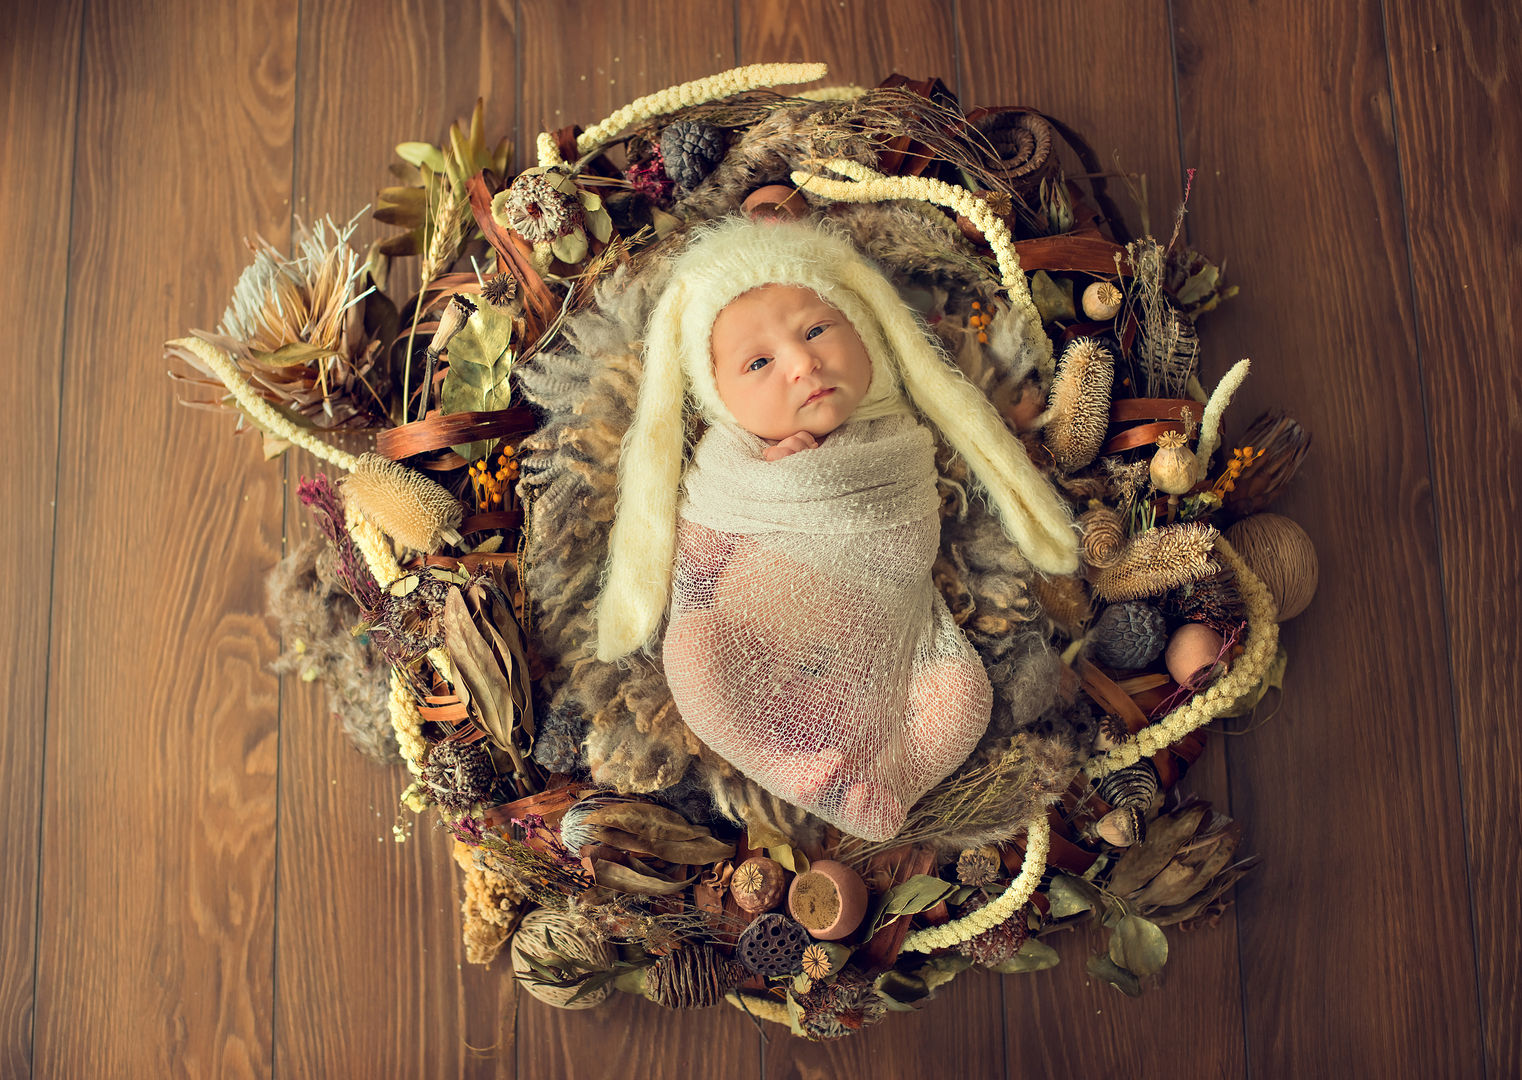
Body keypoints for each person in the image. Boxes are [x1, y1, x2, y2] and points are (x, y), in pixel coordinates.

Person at [595, 214, 1077, 840]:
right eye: (759, 362)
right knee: (694, 660)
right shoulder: (729, 471)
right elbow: (702, 564)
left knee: (962, 698)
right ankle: (806, 769)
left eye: (817, 329)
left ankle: (888, 782)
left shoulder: (897, 439)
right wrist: (780, 478)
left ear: (864, 330)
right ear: (719, 397)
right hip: (760, 644)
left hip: (894, 642)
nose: (802, 361)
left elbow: (905, 541)